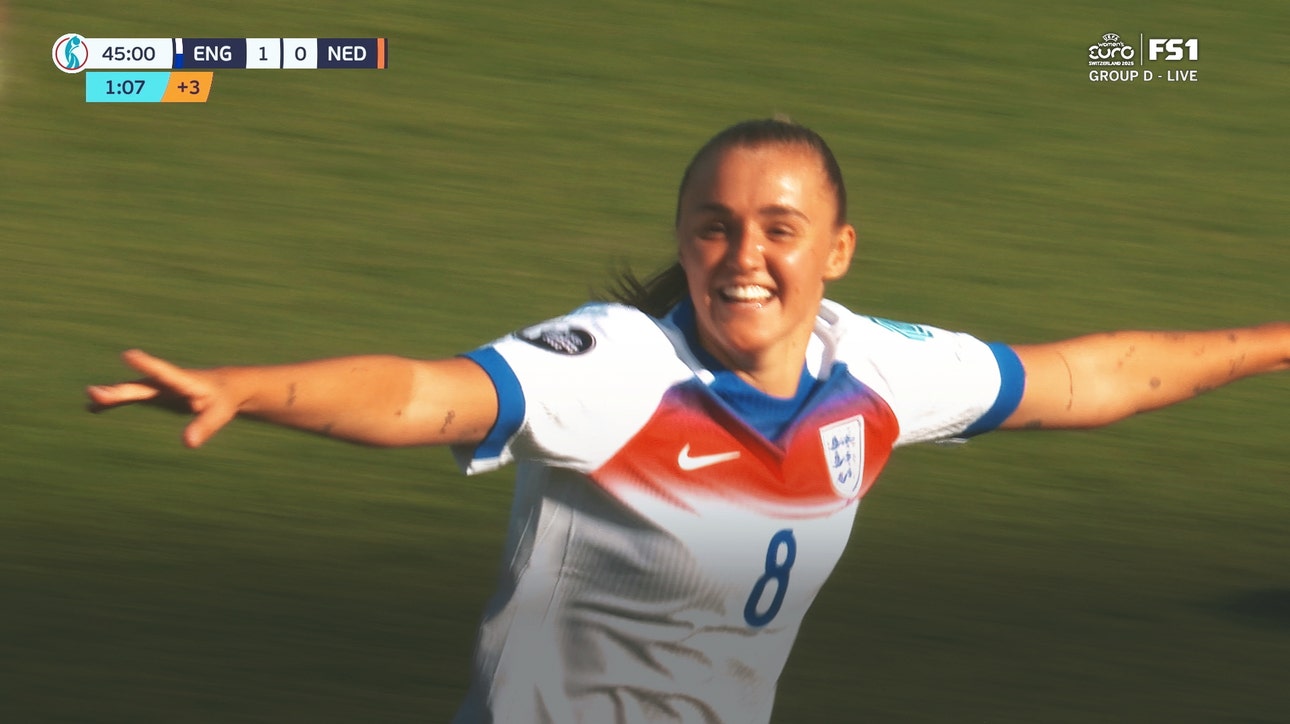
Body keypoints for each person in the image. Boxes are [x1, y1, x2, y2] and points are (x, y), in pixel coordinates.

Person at [87, 118, 1289, 724]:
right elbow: (424, 394)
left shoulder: (873, 371)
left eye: (778, 226)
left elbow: (1096, 375)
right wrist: (252, 389)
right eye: (713, 225)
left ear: (838, 249)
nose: (743, 255)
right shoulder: (614, 370)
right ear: (682, 239)